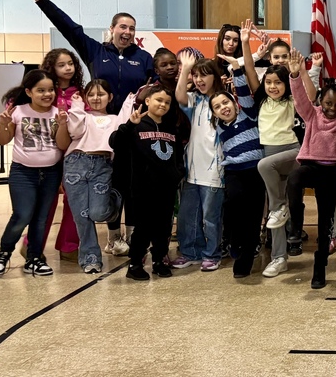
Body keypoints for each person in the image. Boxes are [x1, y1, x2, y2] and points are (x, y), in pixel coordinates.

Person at [286, 49, 336, 289]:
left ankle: (320, 269)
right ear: (320, 102)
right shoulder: (312, 115)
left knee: (325, 221)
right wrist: (296, 75)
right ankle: (295, 226)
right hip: (310, 166)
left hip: (331, 173)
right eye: (328, 103)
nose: (332, 108)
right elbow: (299, 99)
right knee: (294, 179)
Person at [25, 0, 153, 114]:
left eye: (132, 29)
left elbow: (157, 88)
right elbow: (69, 28)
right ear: (112, 29)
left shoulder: (144, 58)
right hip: (99, 118)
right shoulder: (96, 52)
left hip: (134, 120)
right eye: (123, 27)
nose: (128, 32)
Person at [238, 20, 301, 279]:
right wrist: (245, 43)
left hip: (292, 152)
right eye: (270, 82)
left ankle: (279, 216)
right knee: (276, 210)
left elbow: (305, 90)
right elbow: (250, 69)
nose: (273, 86)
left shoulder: (292, 99)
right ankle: (279, 258)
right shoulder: (262, 101)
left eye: (278, 82)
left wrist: (299, 72)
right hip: (269, 152)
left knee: (274, 202)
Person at [111, 86, 188, 281]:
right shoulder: (136, 124)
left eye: (167, 102)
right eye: (158, 100)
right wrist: (128, 125)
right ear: (147, 101)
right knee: (144, 227)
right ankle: (135, 262)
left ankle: (159, 260)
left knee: (163, 227)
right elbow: (115, 143)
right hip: (142, 187)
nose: (163, 104)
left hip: (167, 187)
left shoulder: (171, 128)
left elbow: (178, 154)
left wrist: (177, 173)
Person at [0, 71, 63, 277]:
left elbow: (62, 144)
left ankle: (34, 258)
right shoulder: (17, 112)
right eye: (41, 90)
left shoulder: (57, 113)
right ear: (29, 92)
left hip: (51, 173)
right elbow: (3, 140)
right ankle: (4, 253)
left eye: (50, 90)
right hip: (23, 173)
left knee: (41, 218)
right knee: (22, 214)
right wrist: (4, 123)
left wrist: (63, 124)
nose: (47, 94)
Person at [53, 80, 127, 273]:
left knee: (97, 213)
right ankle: (90, 260)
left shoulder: (114, 118)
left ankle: (116, 201)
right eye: (91, 94)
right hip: (75, 164)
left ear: (109, 97)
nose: (96, 98)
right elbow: (75, 131)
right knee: (82, 218)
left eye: (101, 94)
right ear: (86, 97)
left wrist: (130, 101)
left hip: (102, 165)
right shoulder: (81, 115)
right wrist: (76, 107)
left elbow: (123, 129)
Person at [209, 65, 267, 278]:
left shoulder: (248, 115)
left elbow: (243, 91)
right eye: (217, 106)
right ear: (214, 113)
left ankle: (246, 260)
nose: (223, 107)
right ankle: (234, 240)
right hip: (234, 172)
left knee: (253, 218)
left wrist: (237, 69)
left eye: (226, 102)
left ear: (235, 103)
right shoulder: (219, 128)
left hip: (255, 171)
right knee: (233, 206)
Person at [172, 51, 226, 272]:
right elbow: (180, 95)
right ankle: (190, 252)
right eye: (196, 76)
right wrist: (185, 68)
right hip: (192, 170)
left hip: (215, 171)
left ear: (215, 76)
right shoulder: (196, 100)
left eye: (204, 75)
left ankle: (212, 254)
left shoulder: (224, 101)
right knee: (188, 215)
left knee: (211, 218)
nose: (199, 80)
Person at [37, 48, 85, 263]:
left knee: (73, 201)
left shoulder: (81, 94)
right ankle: (32, 244)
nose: (68, 68)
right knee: (46, 202)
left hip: (74, 155)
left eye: (71, 64)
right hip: (46, 154)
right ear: (51, 68)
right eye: (61, 64)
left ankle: (69, 246)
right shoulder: (46, 91)